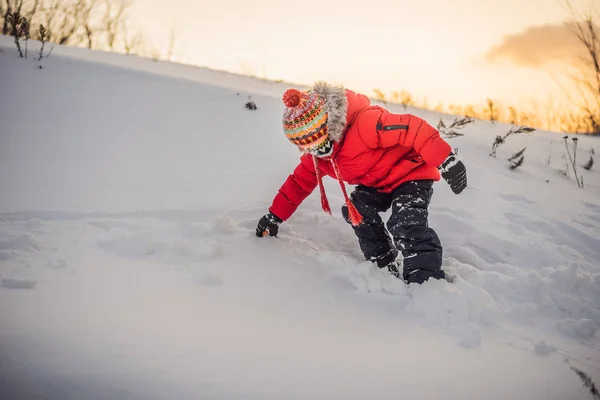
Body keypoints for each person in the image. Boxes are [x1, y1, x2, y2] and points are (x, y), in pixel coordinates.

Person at [256, 81, 467, 284]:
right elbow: (299, 183)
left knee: (406, 221)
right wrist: (274, 216)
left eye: (316, 140)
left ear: (327, 124)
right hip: (378, 184)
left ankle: (425, 279)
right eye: (306, 145)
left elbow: (412, 129)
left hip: (410, 175)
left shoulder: (365, 125)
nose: (314, 149)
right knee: (356, 211)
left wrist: (445, 159)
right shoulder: (319, 157)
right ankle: (383, 261)